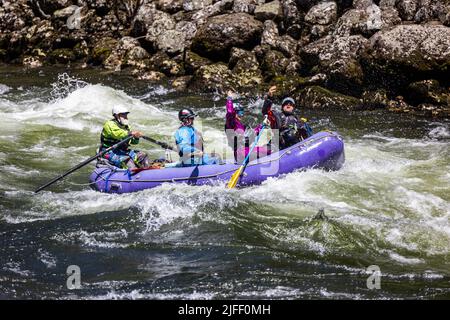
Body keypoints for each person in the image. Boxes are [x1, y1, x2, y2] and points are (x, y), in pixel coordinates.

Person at [224, 91, 270, 162]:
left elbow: (253, 134)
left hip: (246, 151)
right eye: (240, 112)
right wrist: (229, 99)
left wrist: (262, 125)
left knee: (268, 148)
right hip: (240, 153)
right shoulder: (231, 123)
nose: (242, 115)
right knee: (269, 150)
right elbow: (230, 112)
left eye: (242, 112)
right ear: (235, 113)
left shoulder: (241, 125)